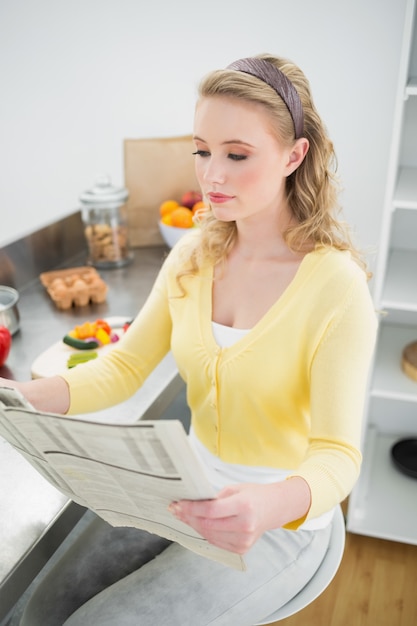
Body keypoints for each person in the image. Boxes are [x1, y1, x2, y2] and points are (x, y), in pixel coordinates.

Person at [1, 54, 377, 626]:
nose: (212, 175)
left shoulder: (336, 286)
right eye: (203, 150)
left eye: (237, 154)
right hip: (187, 487)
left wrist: (264, 506)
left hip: (279, 522)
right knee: (41, 611)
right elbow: (124, 369)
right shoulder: (192, 256)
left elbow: (337, 457)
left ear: (294, 156)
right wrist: (19, 403)